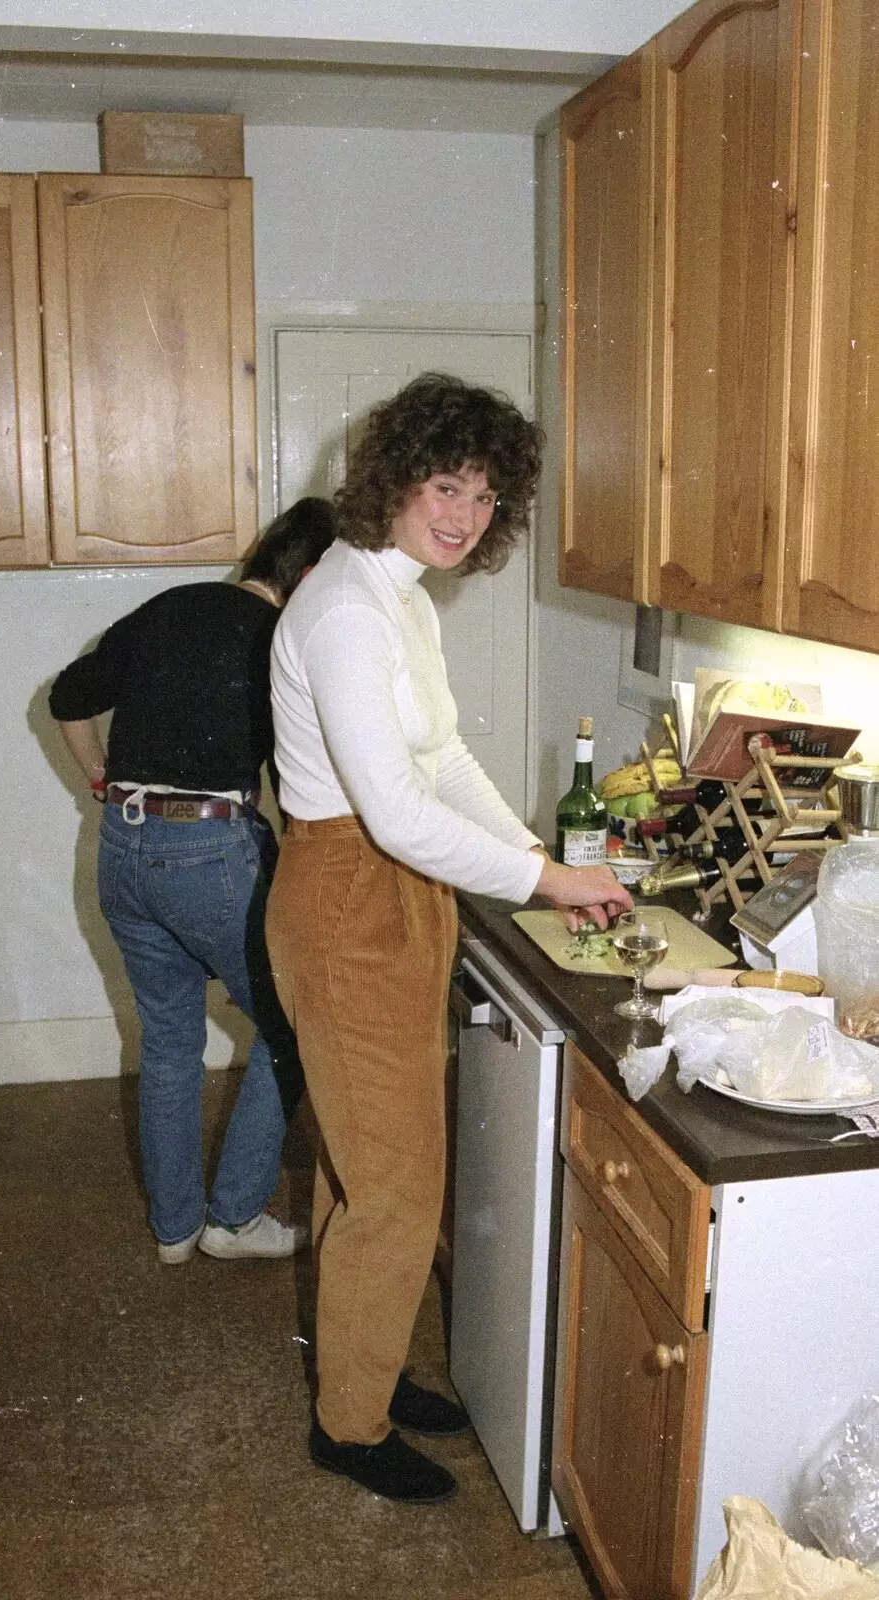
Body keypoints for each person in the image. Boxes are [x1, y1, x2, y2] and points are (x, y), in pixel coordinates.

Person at [265, 374, 633, 1505]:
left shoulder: (401, 597)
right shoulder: (339, 609)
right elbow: (391, 812)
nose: (464, 514)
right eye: (444, 485)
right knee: (396, 1182)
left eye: (483, 495)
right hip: (345, 896)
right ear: (394, 479)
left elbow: (446, 766)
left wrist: (539, 866)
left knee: (359, 1160)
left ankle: (358, 1371)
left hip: (394, 896)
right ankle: (348, 1424)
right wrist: (544, 874)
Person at [48, 498, 337, 1265]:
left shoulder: (169, 606)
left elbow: (66, 700)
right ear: (309, 576)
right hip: (211, 853)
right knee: (291, 1032)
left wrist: (101, 780)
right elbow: (299, 784)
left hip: (122, 848)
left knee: (170, 1041)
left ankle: (174, 1228)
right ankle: (233, 1216)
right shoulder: (283, 640)